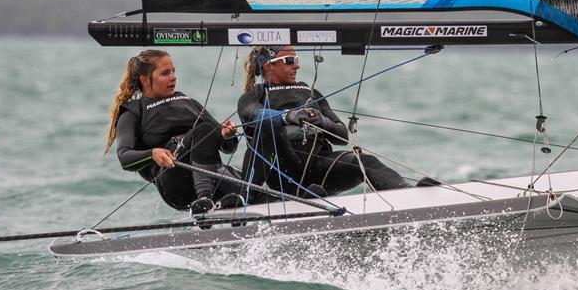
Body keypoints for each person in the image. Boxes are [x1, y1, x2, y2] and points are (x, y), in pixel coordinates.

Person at [237, 45, 410, 197]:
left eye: (296, 59)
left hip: (318, 170)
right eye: (289, 60)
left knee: (366, 162)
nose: (296, 65)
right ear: (268, 65)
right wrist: (288, 116)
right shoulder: (254, 95)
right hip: (282, 173)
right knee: (267, 125)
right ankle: (245, 197)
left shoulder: (312, 94)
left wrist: (323, 121)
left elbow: (342, 137)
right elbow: (254, 115)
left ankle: (407, 194)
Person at [105, 49, 244, 213]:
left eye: (173, 71)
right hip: (174, 182)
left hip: (211, 174)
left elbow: (228, 148)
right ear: (145, 81)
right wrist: (152, 154)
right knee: (205, 129)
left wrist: (227, 136)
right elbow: (124, 157)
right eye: (165, 73)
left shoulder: (188, 102)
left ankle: (224, 206)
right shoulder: (133, 112)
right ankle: (205, 201)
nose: (173, 77)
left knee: (253, 191)